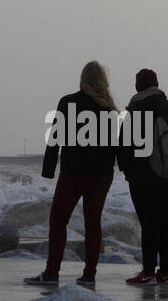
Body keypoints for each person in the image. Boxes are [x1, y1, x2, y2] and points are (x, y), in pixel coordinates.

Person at [23, 60, 119, 287]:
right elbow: (116, 145)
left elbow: (55, 138)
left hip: (74, 172)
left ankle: (52, 273)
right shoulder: (109, 108)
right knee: (93, 223)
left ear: (82, 79)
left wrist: (48, 170)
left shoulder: (69, 102)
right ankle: (89, 275)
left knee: (58, 220)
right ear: (103, 81)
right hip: (102, 175)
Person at [118, 68, 168, 285]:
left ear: (138, 86)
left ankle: (147, 273)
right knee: (163, 221)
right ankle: (165, 272)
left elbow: (125, 144)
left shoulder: (137, 108)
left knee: (148, 224)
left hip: (142, 177)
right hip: (167, 173)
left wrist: (125, 169)